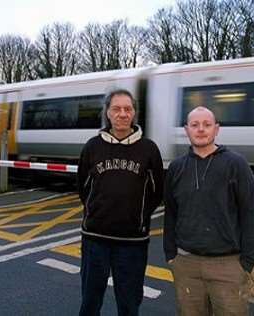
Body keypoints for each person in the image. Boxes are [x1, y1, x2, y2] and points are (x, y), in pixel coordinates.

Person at [163, 106, 254, 316]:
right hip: (186, 264)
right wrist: (170, 254)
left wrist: (246, 263)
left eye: (207, 125)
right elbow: (170, 213)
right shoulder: (176, 168)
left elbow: (251, 213)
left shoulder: (236, 164)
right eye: (195, 125)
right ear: (186, 129)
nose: (201, 130)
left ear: (216, 130)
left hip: (228, 265)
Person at [77, 89, 164, 316]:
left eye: (128, 109)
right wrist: (96, 213)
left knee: (129, 304)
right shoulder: (92, 147)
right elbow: (83, 187)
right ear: (107, 113)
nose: (122, 114)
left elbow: (157, 192)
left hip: (133, 242)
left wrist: (140, 218)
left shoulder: (149, 149)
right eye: (116, 109)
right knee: (89, 302)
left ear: (134, 113)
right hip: (95, 239)